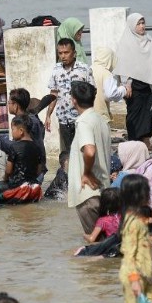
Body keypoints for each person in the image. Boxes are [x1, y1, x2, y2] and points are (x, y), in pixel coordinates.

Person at [115, 13, 152, 146]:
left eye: (143, 23)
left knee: (149, 114)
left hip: (149, 85)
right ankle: (134, 142)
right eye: (138, 24)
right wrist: (126, 84)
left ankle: (145, 140)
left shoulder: (149, 40)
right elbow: (123, 64)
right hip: (134, 86)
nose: (142, 26)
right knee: (135, 114)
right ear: (132, 25)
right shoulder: (126, 42)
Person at [119, 174, 152, 303]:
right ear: (138, 195)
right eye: (146, 191)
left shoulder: (137, 220)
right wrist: (135, 281)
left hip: (145, 276)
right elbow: (129, 255)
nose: (149, 194)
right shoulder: (133, 224)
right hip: (134, 277)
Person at [68, 81, 111, 234]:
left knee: (96, 244)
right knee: (105, 241)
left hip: (88, 194)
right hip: (102, 191)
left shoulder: (84, 122)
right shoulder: (101, 120)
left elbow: (90, 151)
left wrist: (86, 173)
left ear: (74, 100)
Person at [46, 37, 95, 154]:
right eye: (60, 53)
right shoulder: (56, 70)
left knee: (84, 151)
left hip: (81, 120)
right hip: (64, 120)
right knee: (69, 153)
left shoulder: (84, 69)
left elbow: (93, 92)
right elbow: (53, 94)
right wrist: (48, 115)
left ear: (74, 53)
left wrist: (88, 114)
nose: (63, 56)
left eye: (66, 52)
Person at [0, 88, 46, 176]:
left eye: (9, 103)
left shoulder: (28, 122)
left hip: (30, 172)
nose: (8, 105)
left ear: (15, 105)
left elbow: (20, 148)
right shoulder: (29, 119)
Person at [91, 46, 130, 123]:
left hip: (88, 115)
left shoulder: (89, 69)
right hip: (101, 116)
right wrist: (124, 89)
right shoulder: (106, 73)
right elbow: (110, 94)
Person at [5, 115, 42, 186]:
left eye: (13, 129)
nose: (12, 132)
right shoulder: (37, 147)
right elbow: (39, 170)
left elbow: (8, 171)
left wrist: (5, 179)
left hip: (18, 186)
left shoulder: (14, 146)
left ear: (21, 131)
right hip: (32, 185)